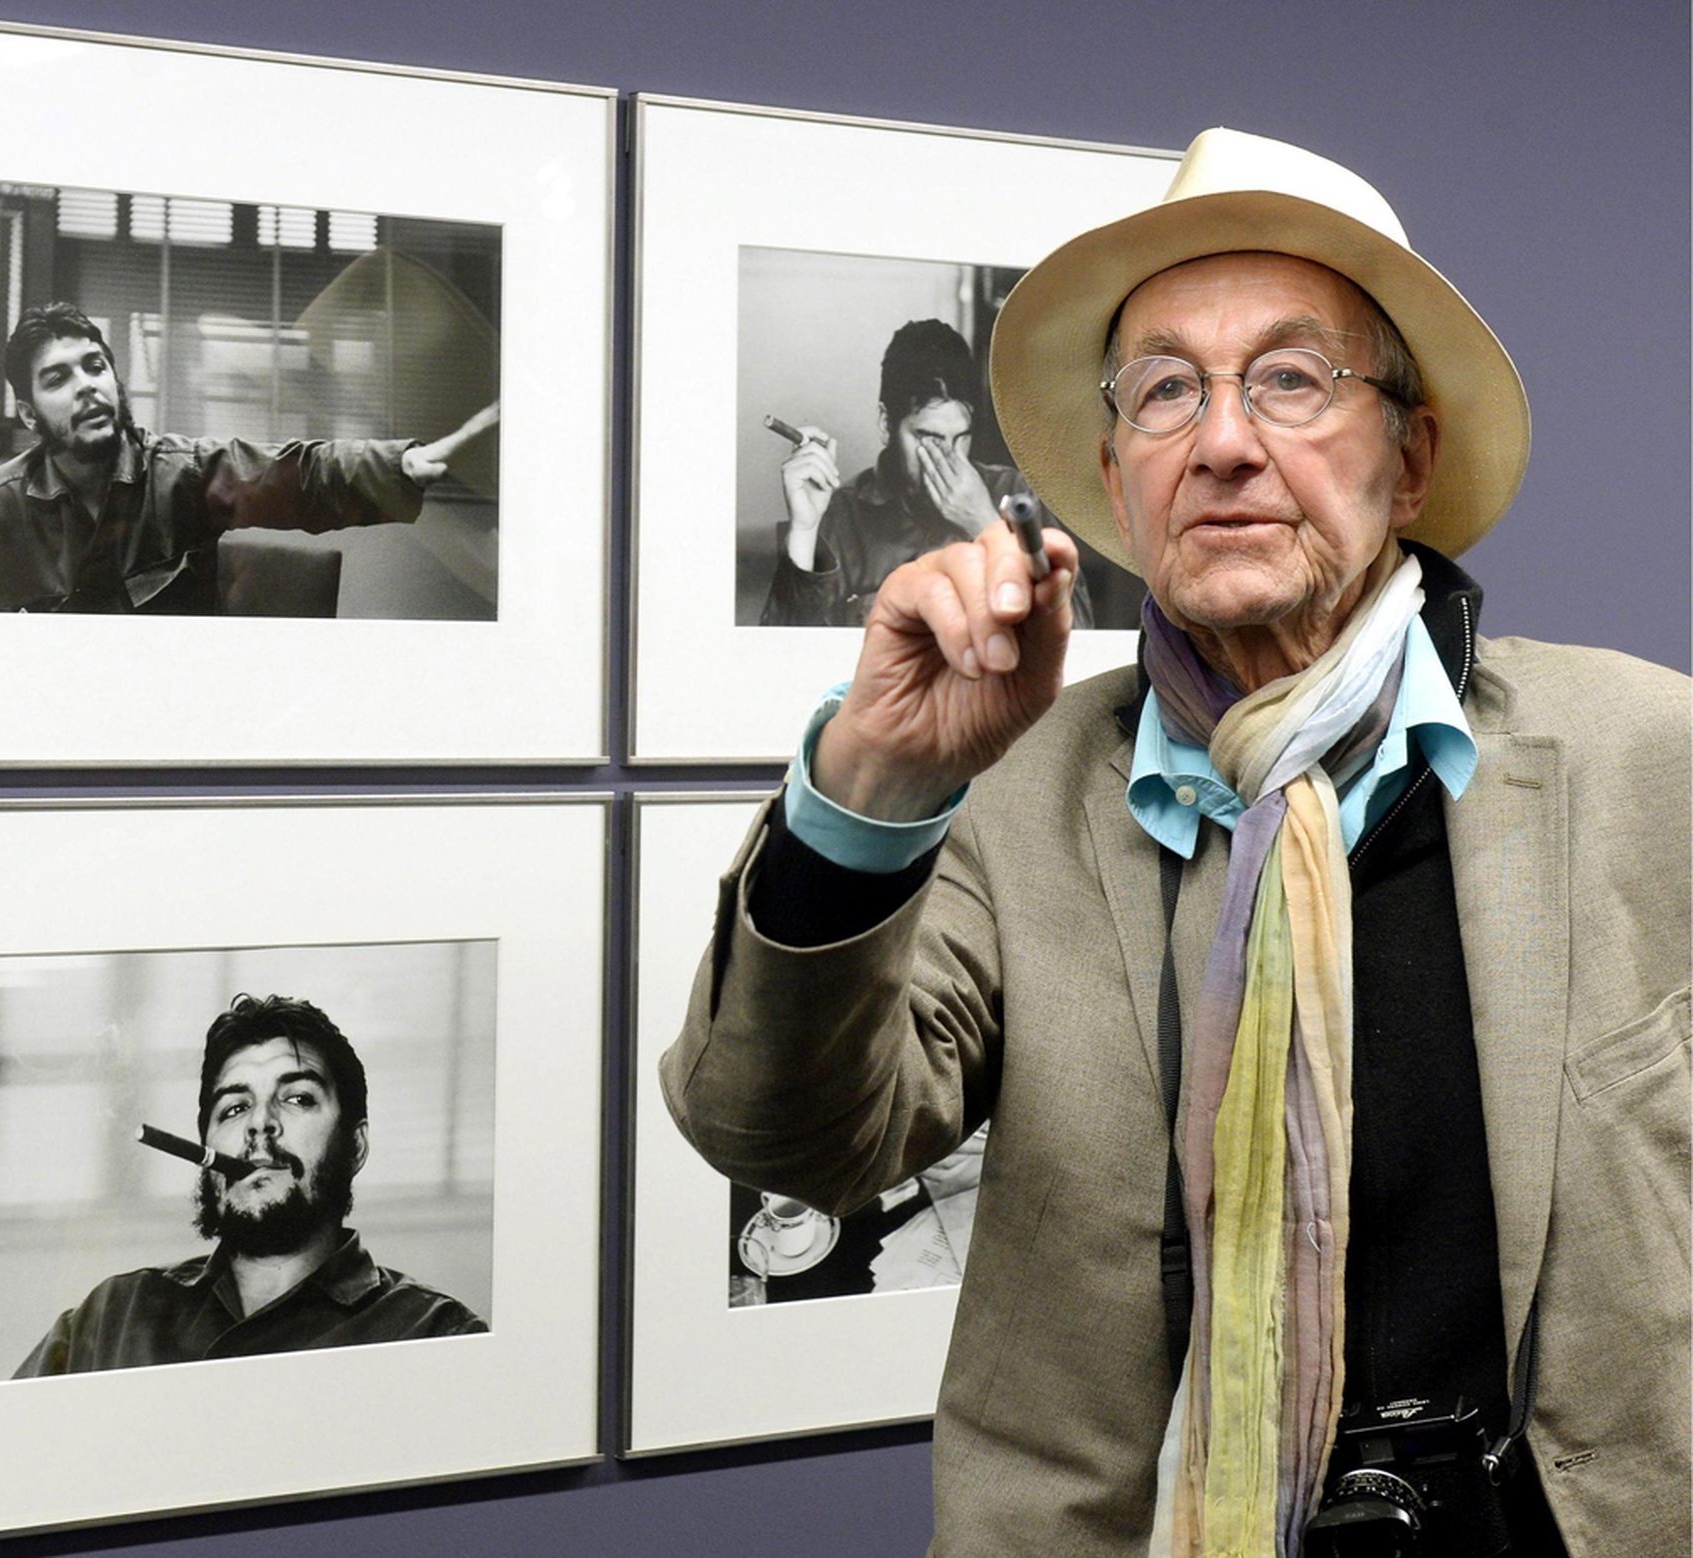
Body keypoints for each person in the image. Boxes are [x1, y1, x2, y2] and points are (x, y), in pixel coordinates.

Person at [665, 128, 1688, 1557]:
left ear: (1411, 456)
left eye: (1291, 377)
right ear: (1116, 475)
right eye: (1165, 392)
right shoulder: (1013, 792)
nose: (1220, 440)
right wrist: (878, 787)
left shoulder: (1652, 758)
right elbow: (785, 1135)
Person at [17, 993, 485, 1376]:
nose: (260, 1125)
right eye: (235, 1108)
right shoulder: (112, 1318)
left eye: (298, 1098)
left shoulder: (436, 1335)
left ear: (355, 1146)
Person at [0, 302, 499, 613]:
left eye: (95, 366)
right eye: (58, 378)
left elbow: (298, 474)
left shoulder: (181, 475)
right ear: (27, 413)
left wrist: (399, 467)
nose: (87, 386)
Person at [760, 317, 1093, 629]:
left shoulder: (1014, 493)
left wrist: (986, 524)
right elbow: (781, 657)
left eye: (961, 437)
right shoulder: (841, 515)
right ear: (885, 424)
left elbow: (1079, 633)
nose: (948, 457)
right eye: (928, 438)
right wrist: (804, 530)